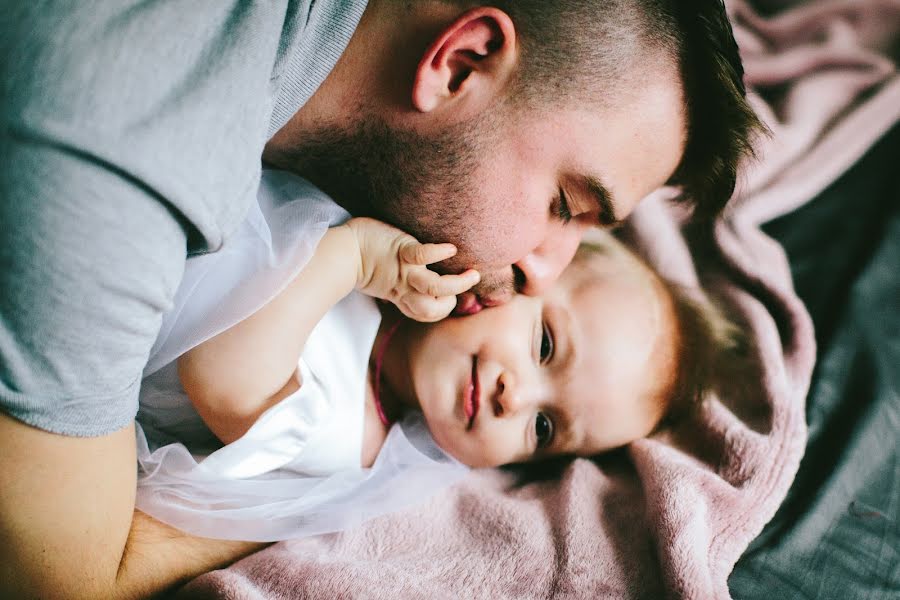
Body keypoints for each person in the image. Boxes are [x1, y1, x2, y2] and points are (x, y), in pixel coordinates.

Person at [0, 1, 763, 597]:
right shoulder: (117, 164)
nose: (542, 271)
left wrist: (325, 494)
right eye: (566, 204)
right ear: (461, 62)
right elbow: (58, 579)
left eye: (544, 427)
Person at [130, 169, 738, 543]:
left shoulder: (356, 436)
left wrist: (354, 259)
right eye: (544, 345)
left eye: (543, 427)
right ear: (518, 275)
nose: (516, 395)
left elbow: (221, 380)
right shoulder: (407, 248)